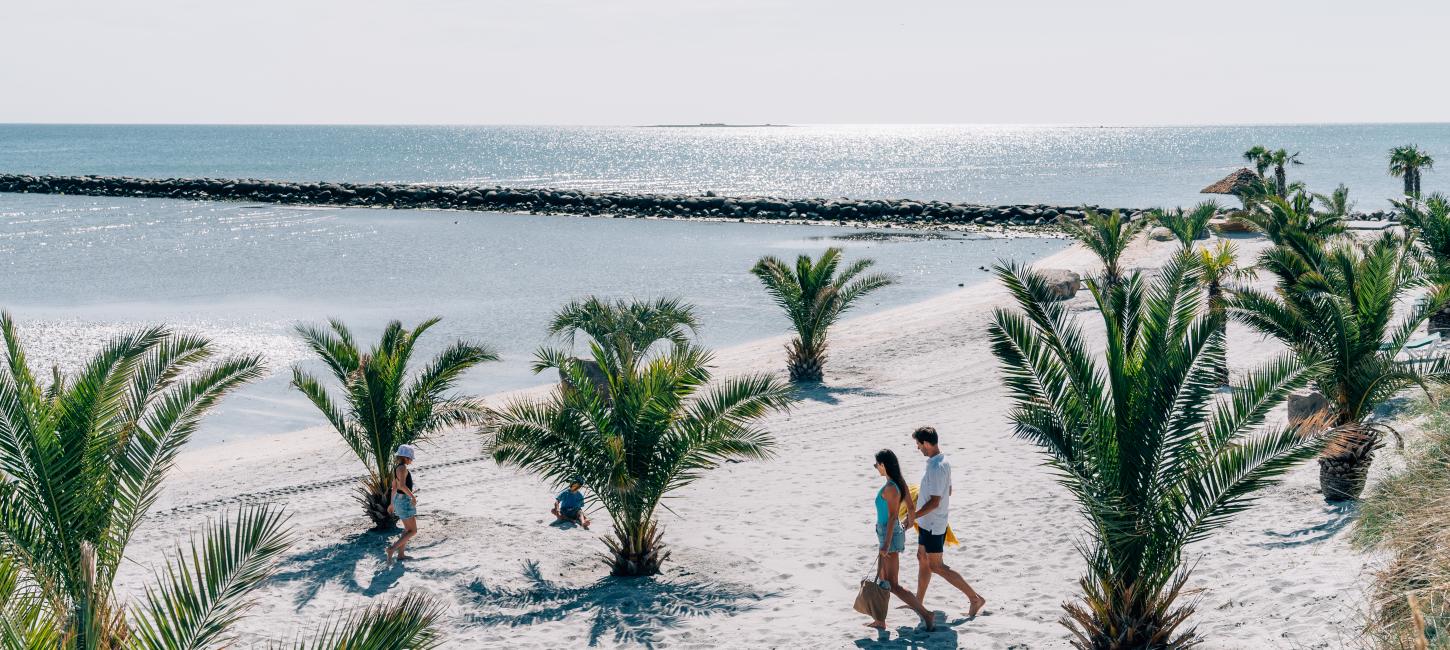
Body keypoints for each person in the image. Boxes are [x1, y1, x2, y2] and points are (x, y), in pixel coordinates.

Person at [910, 426, 987, 617]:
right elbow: (948, 491)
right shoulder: (941, 461)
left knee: (937, 566)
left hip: (934, 524)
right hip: (929, 523)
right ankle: (918, 603)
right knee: (922, 558)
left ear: (926, 443)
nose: (918, 448)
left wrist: (914, 516)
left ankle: (975, 598)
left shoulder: (936, 467)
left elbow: (935, 502)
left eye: (918, 444)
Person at [867, 449, 935, 631]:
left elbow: (891, 517)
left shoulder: (890, 488)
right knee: (883, 579)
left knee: (893, 584)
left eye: (877, 465)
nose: (876, 468)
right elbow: (911, 509)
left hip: (888, 534)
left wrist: (886, 543)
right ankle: (880, 620)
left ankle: (926, 614)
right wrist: (905, 525)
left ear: (884, 464)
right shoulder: (899, 483)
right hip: (890, 532)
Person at [385, 444, 419, 565]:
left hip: (399, 500)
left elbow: (394, 487)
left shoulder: (397, 468)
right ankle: (392, 549)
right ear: (406, 457)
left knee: (407, 529)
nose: (411, 460)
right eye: (410, 458)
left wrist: (392, 503)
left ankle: (401, 555)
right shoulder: (403, 468)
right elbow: (403, 486)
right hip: (404, 501)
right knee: (413, 530)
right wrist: (412, 497)